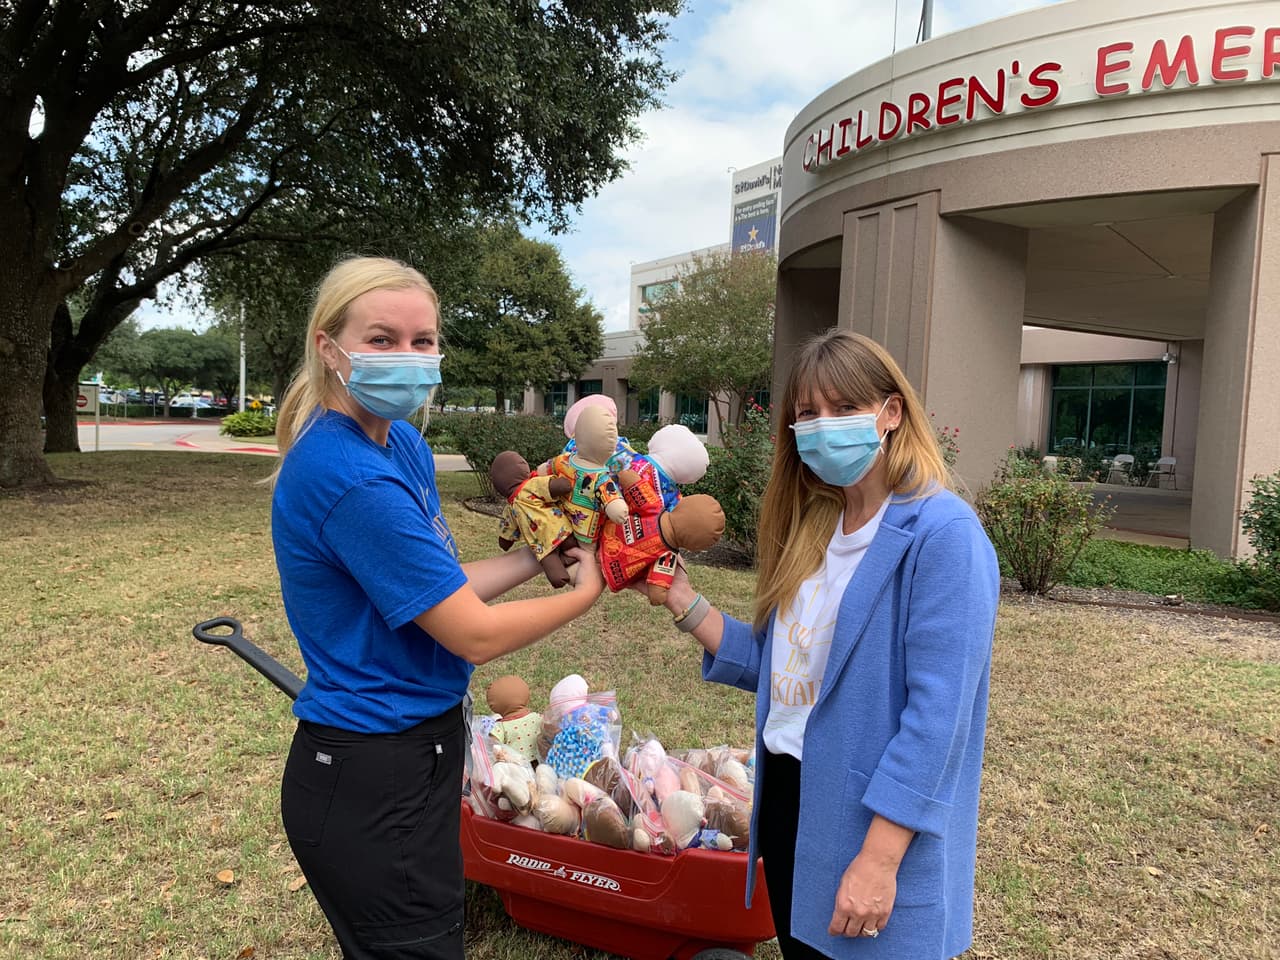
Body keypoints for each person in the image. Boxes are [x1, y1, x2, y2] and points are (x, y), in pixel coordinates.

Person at [268, 256, 603, 959]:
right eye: (381, 339)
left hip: (416, 749)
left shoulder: (402, 445)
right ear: (329, 348)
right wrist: (586, 592)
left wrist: (535, 557)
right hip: (373, 771)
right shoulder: (348, 474)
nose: (407, 356)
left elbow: (439, 587)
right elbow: (471, 633)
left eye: (422, 341)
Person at [656, 329, 999, 959]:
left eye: (843, 408)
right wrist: (682, 598)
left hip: (871, 816)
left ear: (890, 413)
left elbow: (939, 719)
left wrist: (880, 858)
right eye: (807, 413)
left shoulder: (944, 534)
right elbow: (785, 667)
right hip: (790, 797)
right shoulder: (817, 525)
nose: (822, 426)